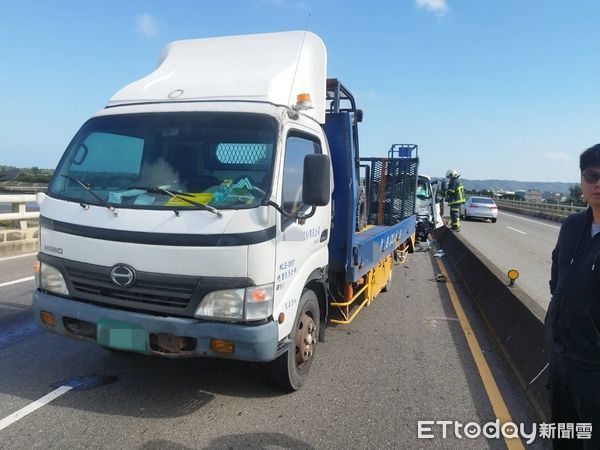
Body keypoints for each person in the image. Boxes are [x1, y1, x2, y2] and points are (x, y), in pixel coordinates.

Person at [545, 143, 600, 449]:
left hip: (595, 368)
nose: (599, 184)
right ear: (581, 180)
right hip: (562, 358)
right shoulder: (571, 226)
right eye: (592, 176)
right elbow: (557, 280)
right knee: (563, 436)